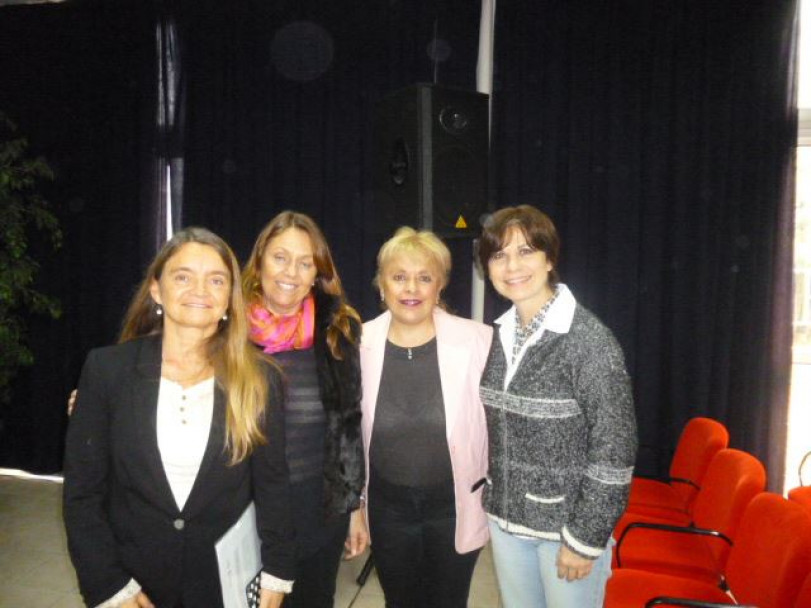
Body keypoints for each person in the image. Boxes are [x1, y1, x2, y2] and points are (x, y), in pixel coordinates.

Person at [63, 227, 295, 608]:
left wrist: (278, 571)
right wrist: (107, 584)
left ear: (229, 300)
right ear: (157, 289)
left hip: (224, 584)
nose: (200, 290)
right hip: (131, 581)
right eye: (183, 276)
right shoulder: (107, 370)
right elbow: (83, 494)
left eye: (216, 280)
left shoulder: (259, 377)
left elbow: (272, 484)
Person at [476, 205, 638, 608]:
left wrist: (586, 538)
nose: (512, 265)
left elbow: (614, 451)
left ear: (549, 259)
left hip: (565, 530)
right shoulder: (499, 335)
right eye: (499, 255)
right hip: (506, 521)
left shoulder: (588, 341)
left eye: (526, 251)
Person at [360, 227, 493, 608]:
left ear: (440, 286)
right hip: (388, 510)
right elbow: (347, 435)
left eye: (424, 277)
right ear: (381, 285)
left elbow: (501, 429)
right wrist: (355, 508)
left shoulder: (480, 342)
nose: (411, 288)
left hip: (453, 508)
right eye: (399, 276)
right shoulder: (357, 343)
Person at [241, 211, 367, 608]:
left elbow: (348, 424)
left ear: (318, 271)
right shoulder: (225, 329)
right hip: (246, 507)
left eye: (305, 261)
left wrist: (355, 508)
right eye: (280, 257)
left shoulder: (337, 330)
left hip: (319, 507)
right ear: (259, 262)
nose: (291, 272)